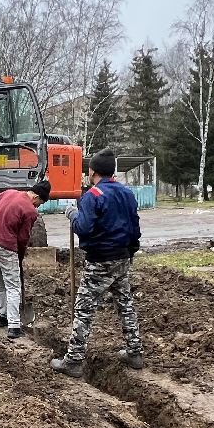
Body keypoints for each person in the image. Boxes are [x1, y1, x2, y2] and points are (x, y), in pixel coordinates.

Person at [51, 149, 143, 378]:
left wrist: (73, 214)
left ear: (91, 171)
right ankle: (135, 353)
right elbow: (135, 228)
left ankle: (73, 360)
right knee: (125, 304)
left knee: (84, 310)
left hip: (99, 261)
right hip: (122, 257)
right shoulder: (127, 193)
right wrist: (130, 251)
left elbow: (83, 228)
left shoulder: (93, 195)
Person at [0, 180, 52, 339]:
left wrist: (1, 217)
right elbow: (23, 239)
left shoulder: (9, 192)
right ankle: (14, 326)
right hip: (7, 249)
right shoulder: (30, 211)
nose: (38, 207)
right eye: (40, 203)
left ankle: (2, 317)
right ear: (36, 196)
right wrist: (19, 256)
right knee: (13, 287)